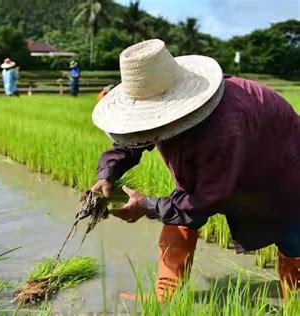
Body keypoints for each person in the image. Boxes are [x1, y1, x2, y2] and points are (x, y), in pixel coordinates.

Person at [90, 39, 299, 302]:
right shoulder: (163, 99)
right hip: (226, 156)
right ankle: (166, 294)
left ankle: (294, 301)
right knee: (181, 212)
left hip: (281, 168)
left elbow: (208, 197)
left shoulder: (223, 127)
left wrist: (148, 205)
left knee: (292, 232)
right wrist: (107, 173)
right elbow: (134, 138)